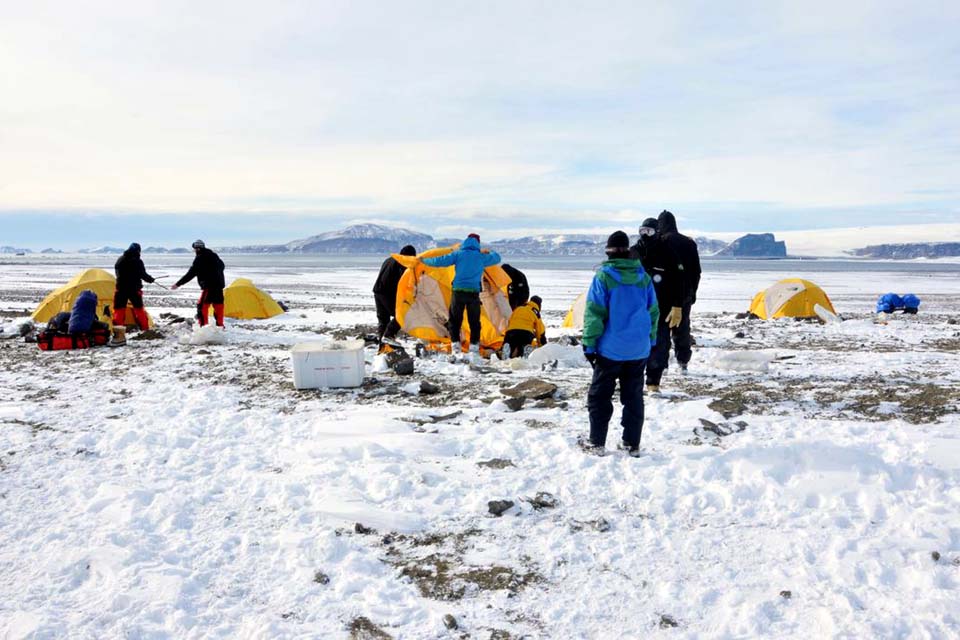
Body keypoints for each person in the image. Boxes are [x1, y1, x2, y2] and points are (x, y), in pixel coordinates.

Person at [581, 231, 659, 457]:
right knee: (633, 396)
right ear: (628, 251)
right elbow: (653, 312)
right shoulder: (643, 277)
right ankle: (631, 444)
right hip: (638, 349)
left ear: (608, 252)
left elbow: (594, 313)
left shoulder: (604, 277)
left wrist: (589, 344)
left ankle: (596, 443)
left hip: (611, 350)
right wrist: (651, 340)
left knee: (599, 396)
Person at [643, 210, 702, 391]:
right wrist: (692, 293)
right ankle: (683, 360)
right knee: (682, 327)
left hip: (662, 294)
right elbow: (696, 271)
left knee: (662, 330)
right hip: (684, 294)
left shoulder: (660, 243)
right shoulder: (688, 243)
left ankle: (663, 364)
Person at [419, 233, 501, 355]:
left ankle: (455, 346)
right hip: (473, 293)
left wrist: (424, 261)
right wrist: (487, 252)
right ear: (477, 243)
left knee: (455, 320)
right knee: (474, 321)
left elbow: (440, 261)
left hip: (458, 292)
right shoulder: (480, 257)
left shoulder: (458, 254)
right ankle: (474, 347)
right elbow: (497, 257)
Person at [171, 240, 226, 327]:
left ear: (197, 248)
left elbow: (191, 273)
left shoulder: (200, 258)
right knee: (218, 306)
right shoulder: (214, 256)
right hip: (219, 287)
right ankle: (220, 327)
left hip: (209, 287)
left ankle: (203, 327)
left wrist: (178, 284)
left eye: (195, 249)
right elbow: (222, 266)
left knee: (202, 307)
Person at [373, 244, 417, 348]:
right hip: (386, 293)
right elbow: (404, 281)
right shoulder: (402, 262)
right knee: (401, 315)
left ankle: (383, 346)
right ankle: (389, 335)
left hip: (377, 291)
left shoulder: (389, 259)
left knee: (383, 320)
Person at [112, 242, 155, 338]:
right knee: (139, 309)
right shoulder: (137, 261)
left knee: (119, 310)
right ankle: (145, 329)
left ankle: (118, 331)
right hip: (134, 289)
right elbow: (142, 274)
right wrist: (150, 279)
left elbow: (118, 274)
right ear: (138, 251)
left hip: (121, 289)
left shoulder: (120, 260)